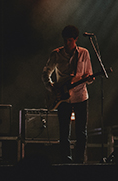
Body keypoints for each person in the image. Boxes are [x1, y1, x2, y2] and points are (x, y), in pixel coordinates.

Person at [42, 25, 93, 163]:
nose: (67, 43)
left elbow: (88, 74)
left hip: (80, 96)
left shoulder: (84, 53)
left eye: (70, 40)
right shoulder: (56, 54)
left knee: (81, 132)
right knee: (64, 132)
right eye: (65, 40)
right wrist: (52, 88)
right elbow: (46, 73)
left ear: (76, 39)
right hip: (62, 98)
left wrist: (89, 79)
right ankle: (66, 161)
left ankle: (79, 161)